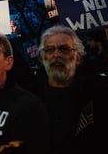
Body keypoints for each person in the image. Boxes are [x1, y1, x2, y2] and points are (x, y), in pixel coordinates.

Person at [32, 24, 92, 154]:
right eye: (49, 50)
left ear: (78, 57)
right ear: (42, 58)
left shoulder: (96, 94)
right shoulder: (29, 98)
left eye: (64, 49)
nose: (56, 54)